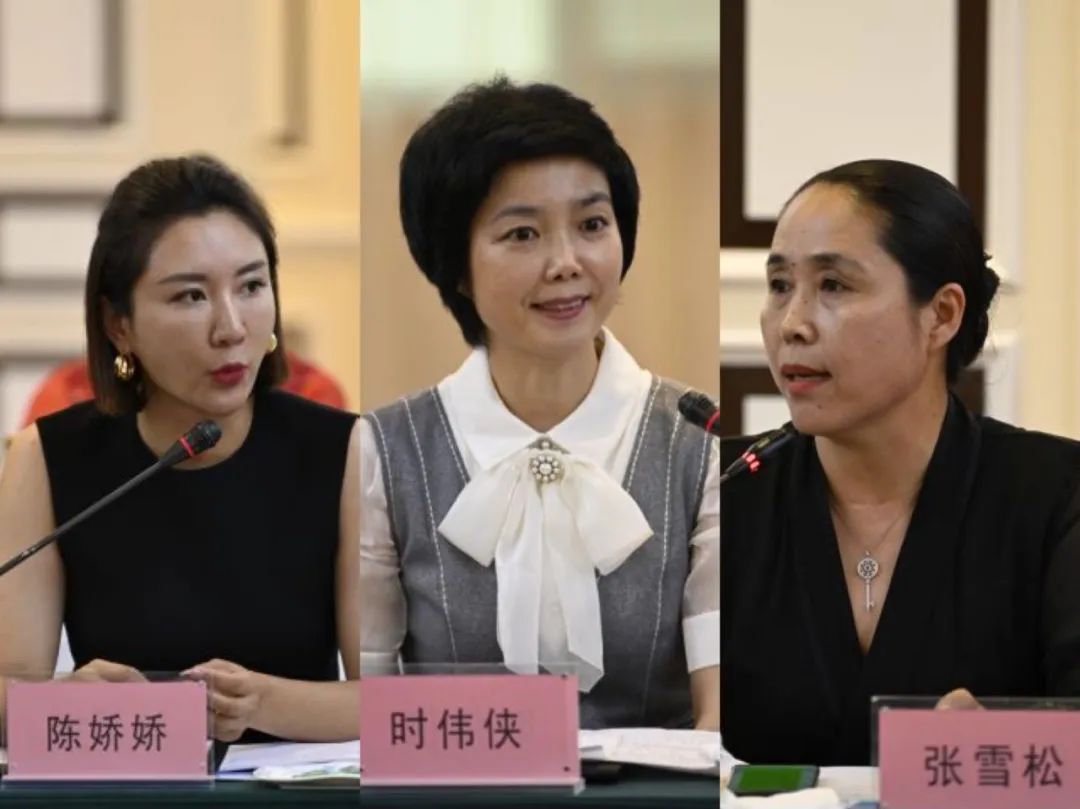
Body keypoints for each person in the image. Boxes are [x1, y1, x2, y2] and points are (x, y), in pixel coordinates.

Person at [358, 77, 719, 729]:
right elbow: (366, 708)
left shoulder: (701, 440)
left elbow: (719, 712)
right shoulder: (384, 449)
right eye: (522, 234)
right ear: (456, 267)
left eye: (592, 224)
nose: (566, 262)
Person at [720, 159, 1080, 765]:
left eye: (834, 285)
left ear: (942, 314)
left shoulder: (1055, 496)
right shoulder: (722, 488)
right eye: (780, 285)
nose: (792, 324)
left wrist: (1014, 743)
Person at [0, 155, 360, 743]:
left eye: (251, 286)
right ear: (119, 325)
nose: (231, 327)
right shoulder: (45, 458)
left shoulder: (344, 451)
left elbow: (387, 702)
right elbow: (8, 690)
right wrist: (58, 700)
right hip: (125, 780)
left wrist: (263, 703)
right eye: (191, 297)